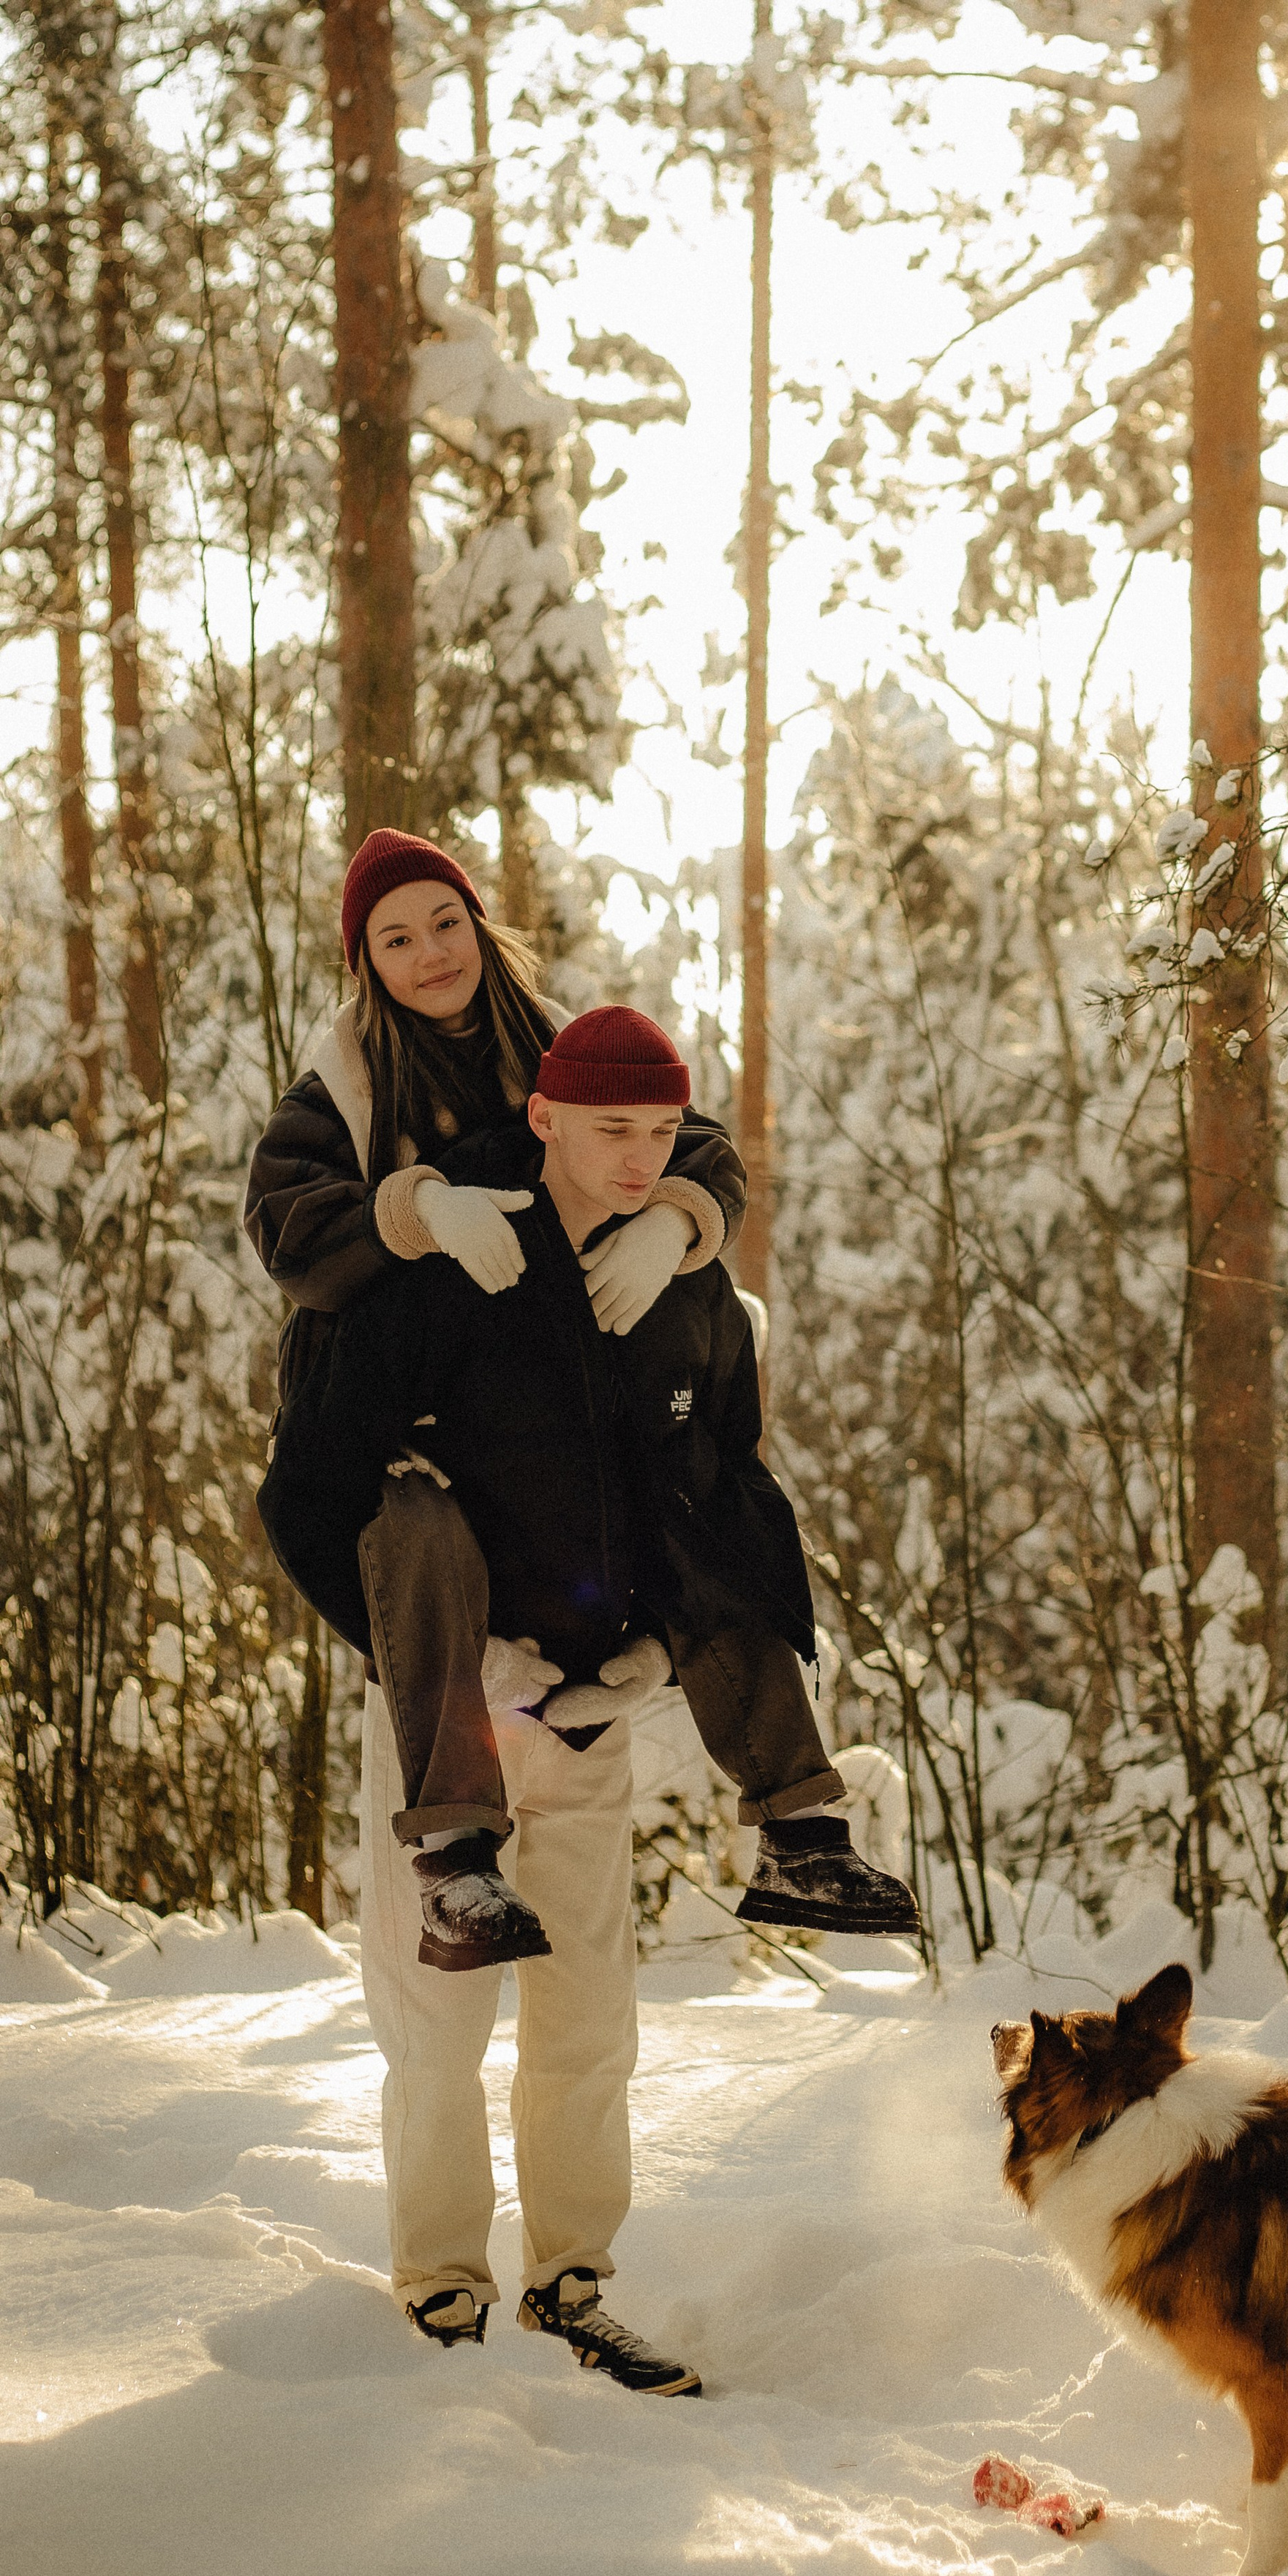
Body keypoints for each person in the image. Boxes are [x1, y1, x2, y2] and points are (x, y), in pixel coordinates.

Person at [260, 1007, 911, 2386]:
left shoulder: (686, 1289)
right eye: (610, 1128)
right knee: (436, 2027)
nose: (638, 1158)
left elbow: (719, 1492)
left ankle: (572, 2284)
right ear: (544, 1119)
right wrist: (424, 1657)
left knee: (589, 2023)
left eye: (662, 1133)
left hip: (590, 1711)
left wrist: (660, 1657)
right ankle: (442, 2291)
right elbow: (308, 1490)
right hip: (449, 1721)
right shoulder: (448, 1278)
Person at [244, 827, 914, 1934]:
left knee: (700, 1494)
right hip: (421, 1382)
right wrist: (420, 1212)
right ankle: (454, 1855)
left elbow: (682, 1141)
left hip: (567, 1375)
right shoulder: (343, 1086)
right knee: (421, 1532)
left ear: (480, 925)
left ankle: (802, 1833)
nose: (431, 953)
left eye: (447, 923)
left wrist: (675, 1223)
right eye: (397, 939)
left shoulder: (558, 1044)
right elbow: (291, 1232)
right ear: (365, 961)